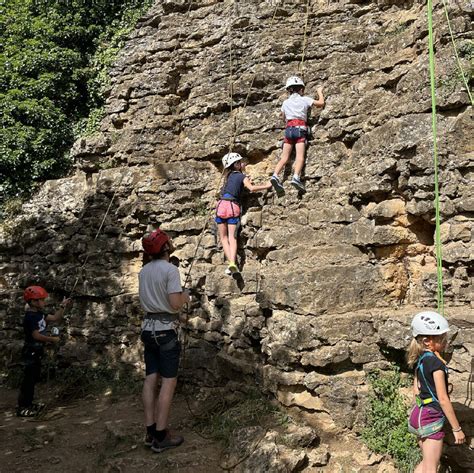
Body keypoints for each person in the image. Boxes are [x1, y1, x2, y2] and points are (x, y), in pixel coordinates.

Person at [139, 228, 190, 453]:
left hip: (148, 329)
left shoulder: (143, 271)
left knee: (151, 378)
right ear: (166, 247)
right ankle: (161, 435)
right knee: (168, 381)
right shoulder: (170, 270)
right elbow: (175, 304)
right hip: (165, 330)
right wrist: (186, 296)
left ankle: (150, 431)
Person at [407, 311, 465, 472]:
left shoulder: (421, 360)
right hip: (430, 418)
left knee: (426, 463)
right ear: (427, 341)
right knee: (432, 468)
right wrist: (456, 429)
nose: (445, 341)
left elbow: (416, 390)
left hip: (418, 415)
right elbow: (443, 399)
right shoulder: (437, 365)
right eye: (441, 338)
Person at [17, 286, 70, 417]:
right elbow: (36, 335)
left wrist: (63, 306)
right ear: (34, 302)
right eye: (41, 300)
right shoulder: (30, 317)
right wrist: (52, 339)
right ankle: (22, 408)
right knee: (28, 380)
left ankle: (29, 404)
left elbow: (55, 318)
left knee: (33, 378)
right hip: (31, 351)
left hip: (37, 351)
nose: (44, 302)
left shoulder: (40, 314)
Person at [215, 152, 272, 275]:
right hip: (232, 207)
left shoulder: (227, 177)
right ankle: (232, 263)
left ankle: (231, 263)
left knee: (223, 238)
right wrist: (267, 185)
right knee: (232, 237)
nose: (242, 164)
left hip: (221, 206)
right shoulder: (241, 176)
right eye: (240, 162)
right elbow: (251, 188)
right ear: (235, 165)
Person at [270, 76, 324, 195]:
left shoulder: (285, 102)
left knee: (284, 157)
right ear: (301, 89)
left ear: (289, 90)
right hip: (300, 129)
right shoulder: (304, 99)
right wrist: (319, 92)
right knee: (300, 156)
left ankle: (275, 175)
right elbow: (320, 103)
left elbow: (283, 116)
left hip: (289, 130)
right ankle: (295, 177)